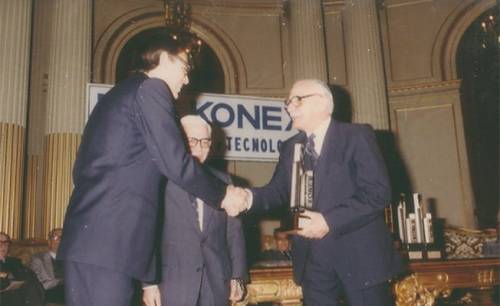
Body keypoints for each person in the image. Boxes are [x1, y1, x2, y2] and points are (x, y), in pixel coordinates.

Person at [57, 30, 246, 306]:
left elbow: (82, 171)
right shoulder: (152, 88)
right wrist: (224, 195)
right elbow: (177, 163)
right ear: (166, 59)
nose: (187, 78)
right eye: (184, 67)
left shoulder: (122, 94)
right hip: (110, 245)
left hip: (96, 243)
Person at [223, 79, 403, 306]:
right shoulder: (290, 148)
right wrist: (248, 198)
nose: (289, 107)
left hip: (360, 260)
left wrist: (329, 221)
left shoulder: (356, 136)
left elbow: (378, 192)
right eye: (287, 102)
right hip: (312, 262)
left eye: (296, 100)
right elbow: (278, 192)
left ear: (322, 103)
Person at [143, 115, 248, 306]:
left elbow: (234, 234)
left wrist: (237, 276)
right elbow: (146, 234)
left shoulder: (224, 182)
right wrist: (148, 284)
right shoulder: (159, 180)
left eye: (205, 142)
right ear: (178, 141)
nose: (198, 148)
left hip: (216, 284)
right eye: (191, 141)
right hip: (172, 284)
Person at [0, 232, 44, 306]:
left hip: (17, 293)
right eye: (0, 242)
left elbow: (27, 276)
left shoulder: (14, 261)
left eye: (6, 243)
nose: (2, 246)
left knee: (31, 284)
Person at [30, 228, 65, 303]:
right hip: (50, 292)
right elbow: (39, 283)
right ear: (49, 242)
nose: (59, 240)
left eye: (62, 238)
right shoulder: (38, 259)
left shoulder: (71, 261)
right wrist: (61, 281)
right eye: (56, 237)